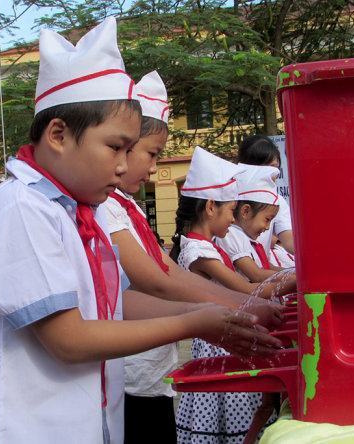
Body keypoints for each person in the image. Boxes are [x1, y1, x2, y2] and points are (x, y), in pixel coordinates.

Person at [0, 18, 283, 444]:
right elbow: (68, 338)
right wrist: (193, 321)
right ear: (58, 134)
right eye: (114, 147)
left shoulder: (76, 211)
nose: (125, 166)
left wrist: (201, 316)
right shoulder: (20, 210)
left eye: (130, 150)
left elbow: (110, 302)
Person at [102, 73, 283, 443]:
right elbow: (157, 279)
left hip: (149, 368)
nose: (152, 168)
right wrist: (238, 307)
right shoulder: (105, 207)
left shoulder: (124, 207)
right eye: (150, 154)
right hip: (129, 374)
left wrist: (238, 307)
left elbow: (158, 273)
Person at [171, 147, 290, 444]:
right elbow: (249, 292)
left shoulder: (209, 246)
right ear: (211, 207)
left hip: (225, 337)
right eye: (230, 210)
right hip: (217, 344)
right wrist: (298, 278)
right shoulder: (198, 251)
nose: (233, 220)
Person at [216, 165, 283, 283]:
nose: (267, 227)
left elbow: (267, 268)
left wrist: (293, 272)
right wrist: (295, 279)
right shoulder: (231, 235)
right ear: (245, 211)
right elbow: (256, 274)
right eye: (267, 219)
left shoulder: (247, 239)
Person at [238, 135, 294, 255]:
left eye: (275, 167)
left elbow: (288, 238)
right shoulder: (228, 197)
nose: (274, 174)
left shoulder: (276, 201)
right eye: (267, 168)